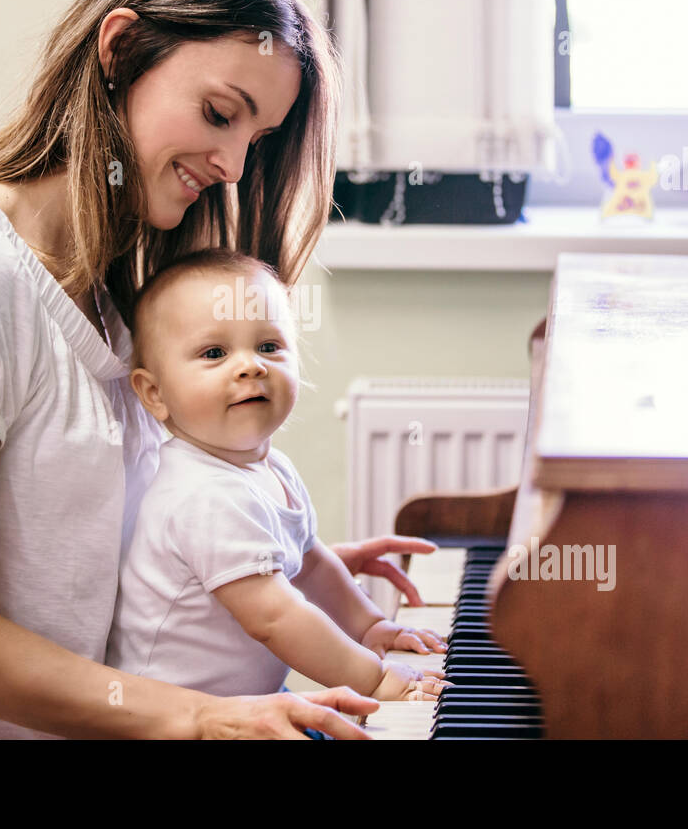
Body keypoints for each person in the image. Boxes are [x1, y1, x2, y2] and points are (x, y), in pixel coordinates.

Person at [0, 0, 439, 739]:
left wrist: (257, 557)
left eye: (256, 140)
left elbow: (70, 552)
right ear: (121, 50)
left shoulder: (104, 299)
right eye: (219, 113)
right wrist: (203, 717)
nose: (234, 167)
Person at [107, 249, 450, 702]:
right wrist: (374, 679)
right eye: (214, 353)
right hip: (167, 721)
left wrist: (369, 627)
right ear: (154, 393)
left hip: (238, 711)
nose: (252, 365)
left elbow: (311, 564)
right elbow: (275, 617)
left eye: (269, 346)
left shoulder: (272, 468)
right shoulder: (201, 494)